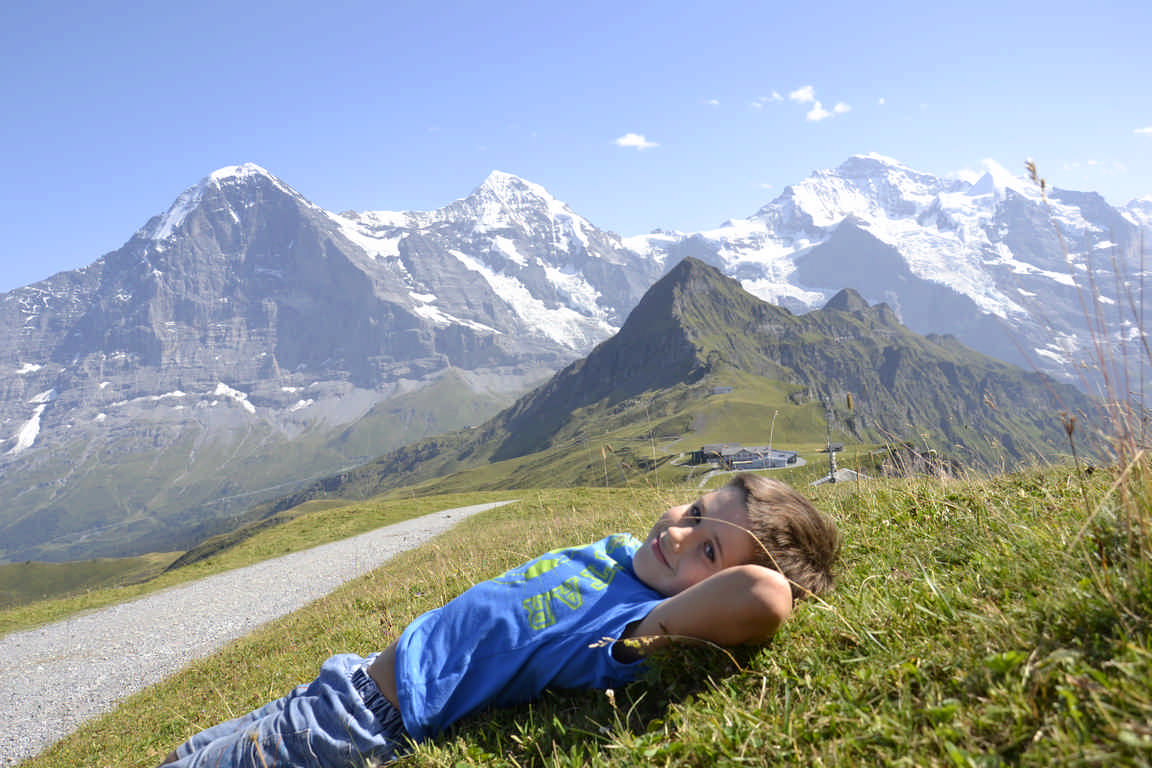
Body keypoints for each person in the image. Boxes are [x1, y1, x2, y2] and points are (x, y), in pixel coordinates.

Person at [160, 473, 840, 767]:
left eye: (710, 549)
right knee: (182, 756)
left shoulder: (637, 624)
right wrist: (709, 538)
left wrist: (772, 577)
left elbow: (763, 598)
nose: (682, 535)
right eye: (695, 512)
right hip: (340, 681)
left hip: (358, 726)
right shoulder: (618, 557)